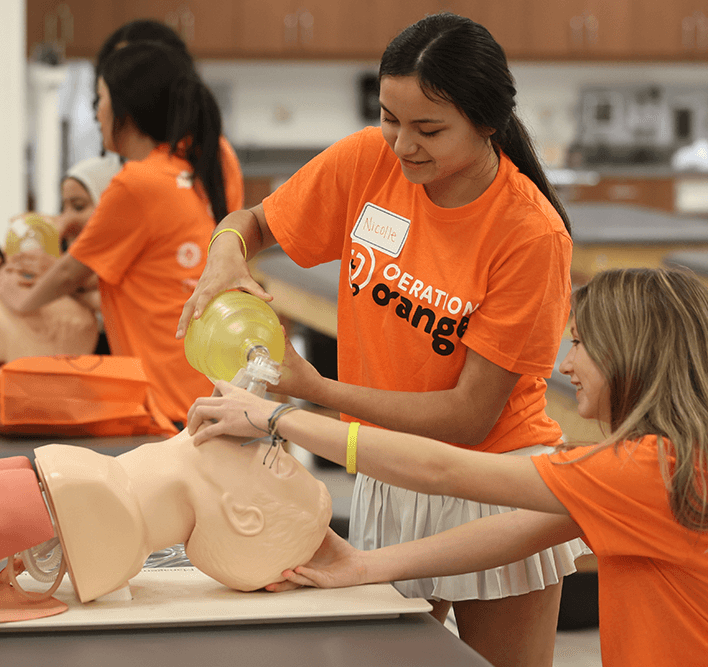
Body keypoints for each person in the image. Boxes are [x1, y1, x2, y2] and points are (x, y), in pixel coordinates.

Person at [177, 12, 581, 666]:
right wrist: (227, 250)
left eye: (427, 129)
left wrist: (315, 391)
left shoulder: (529, 235)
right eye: (390, 116)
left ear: (486, 123)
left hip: (492, 478)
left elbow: (470, 416)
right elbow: (252, 221)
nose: (401, 144)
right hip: (387, 462)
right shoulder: (369, 160)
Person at [187, 267, 708, 667]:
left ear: (630, 356)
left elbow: (444, 471)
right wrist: (366, 566)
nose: (566, 365)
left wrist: (276, 418)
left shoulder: (651, 470)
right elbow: (524, 527)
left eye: (581, 344)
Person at [0, 40, 244, 424]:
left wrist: (20, 300)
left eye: (101, 99)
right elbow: (141, 277)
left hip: (169, 402)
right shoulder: (209, 162)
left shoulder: (137, 183)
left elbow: (71, 272)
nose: (96, 113)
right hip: (214, 386)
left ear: (127, 108)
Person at [0, 426, 332, 609]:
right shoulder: (206, 452)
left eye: (279, 465)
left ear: (243, 515)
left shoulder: (105, 506)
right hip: (91, 499)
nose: (269, 443)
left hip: (97, 504)